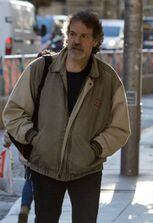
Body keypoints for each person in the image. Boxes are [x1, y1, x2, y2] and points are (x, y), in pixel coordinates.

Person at [2, 10, 131, 223]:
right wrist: (34, 138)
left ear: (96, 40)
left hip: (87, 170)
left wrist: (96, 149)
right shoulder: (41, 68)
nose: (75, 41)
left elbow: (120, 127)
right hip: (45, 167)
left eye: (83, 36)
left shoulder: (108, 80)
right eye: (72, 34)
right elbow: (13, 111)